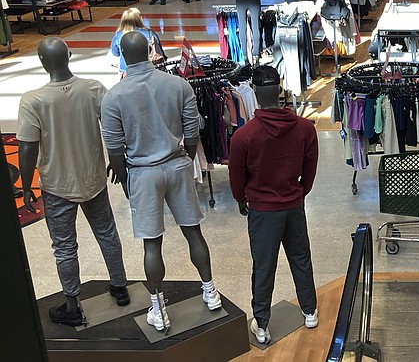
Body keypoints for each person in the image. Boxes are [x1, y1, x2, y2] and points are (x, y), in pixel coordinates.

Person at [102, 31, 221, 333]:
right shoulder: (177, 84)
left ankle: (158, 309)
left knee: (152, 245)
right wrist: (187, 157)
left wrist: (127, 181)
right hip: (177, 164)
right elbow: (192, 130)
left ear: (122, 57)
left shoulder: (114, 96)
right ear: (150, 50)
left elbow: (115, 149)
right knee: (194, 234)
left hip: (143, 171)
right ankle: (210, 292)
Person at [18, 37, 129, 326]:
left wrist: (28, 185)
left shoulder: (33, 101)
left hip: (57, 186)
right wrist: (117, 159)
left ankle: (72, 304)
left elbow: (27, 146)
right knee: (107, 232)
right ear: (70, 55)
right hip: (94, 178)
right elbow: (114, 126)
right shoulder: (93, 89)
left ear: (42, 63)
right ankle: (120, 287)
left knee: (64, 246)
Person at [228, 65, 319, 345]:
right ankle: (310, 311)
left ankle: (263, 325)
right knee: (300, 257)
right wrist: (301, 192)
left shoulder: (244, 136)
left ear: (254, 92)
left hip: (263, 209)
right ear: (280, 89)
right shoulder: (305, 128)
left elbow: (237, 177)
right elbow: (310, 166)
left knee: (264, 266)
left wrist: (241, 199)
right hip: (293, 204)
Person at [109, 7, 161, 74]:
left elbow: (115, 52)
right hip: (147, 70)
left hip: (125, 70)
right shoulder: (149, 33)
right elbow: (158, 49)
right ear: (139, 19)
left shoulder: (118, 35)